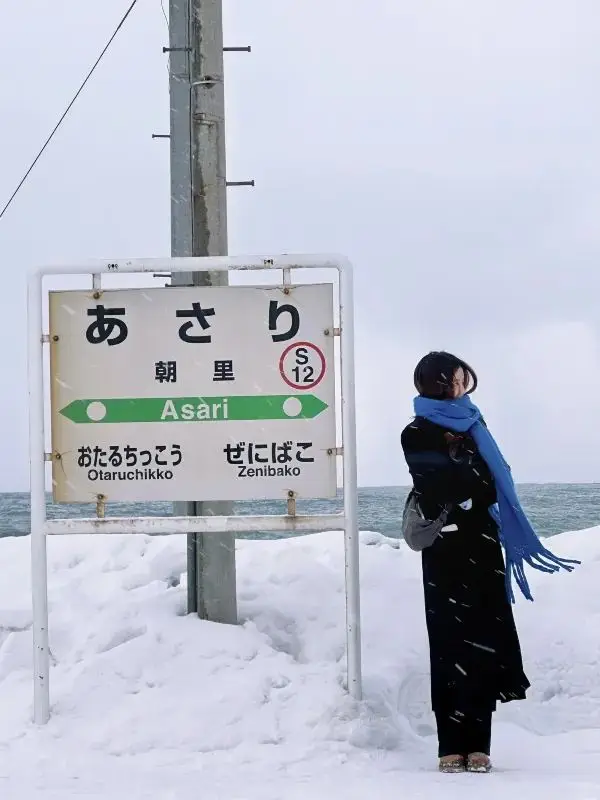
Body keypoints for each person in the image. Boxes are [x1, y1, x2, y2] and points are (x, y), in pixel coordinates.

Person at [401, 351, 578, 774]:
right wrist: (467, 473)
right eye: (455, 380)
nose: (462, 387)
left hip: (482, 547)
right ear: (437, 383)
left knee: (484, 641)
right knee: (448, 646)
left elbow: (489, 489)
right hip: (444, 550)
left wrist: (466, 473)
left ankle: (478, 744)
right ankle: (450, 744)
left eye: (464, 379)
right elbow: (439, 485)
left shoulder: (475, 427)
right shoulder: (416, 431)